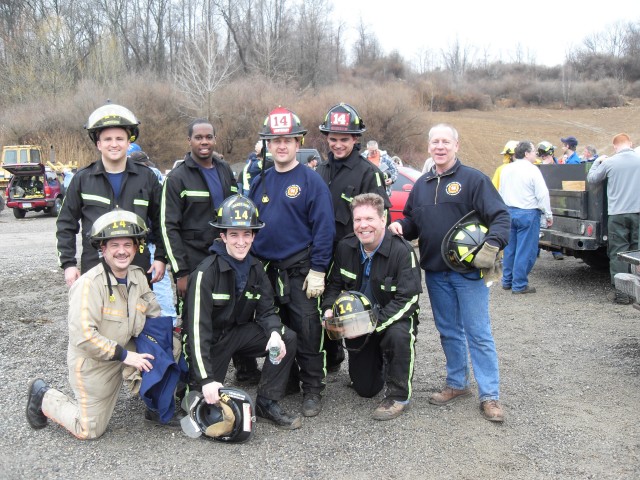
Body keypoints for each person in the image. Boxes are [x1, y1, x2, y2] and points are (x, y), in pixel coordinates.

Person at [389, 123, 510, 423]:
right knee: (449, 332)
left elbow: (501, 216)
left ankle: (490, 395)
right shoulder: (422, 185)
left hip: (468, 274)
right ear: (429, 147)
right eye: (435, 142)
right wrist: (400, 227)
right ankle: (457, 384)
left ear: (456, 145)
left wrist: (493, 244)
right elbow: (412, 222)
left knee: (478, 333)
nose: (440, 147)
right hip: (435, 272)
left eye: (446, 141)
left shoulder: (473, 180)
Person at [27, 210, 178, 439]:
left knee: (173, 346)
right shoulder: (88, 285)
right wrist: (126, 356)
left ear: (136, 247)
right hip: (95, 361)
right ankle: (44, 396)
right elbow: (84, 336)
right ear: (103, 249)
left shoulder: (137, 276)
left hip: (128, 349)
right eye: (114, 245)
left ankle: (155, 405)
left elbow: (153, 317)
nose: (121, 251)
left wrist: (165, 345)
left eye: (127, 244)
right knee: (88, 430)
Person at [184, 195, 301, 429]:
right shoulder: (205, 274)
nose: (241, 242)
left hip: (238, 334)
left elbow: (267, 310)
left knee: (287, 336)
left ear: (253, 236)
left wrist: (274, 333)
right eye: (234, 235)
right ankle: (189, 383)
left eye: (247, 234)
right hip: (212, 343)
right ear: (223, 236)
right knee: (200, 403)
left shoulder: (256, 268)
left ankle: (267, 402)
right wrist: (206, 379)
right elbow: (196, 333)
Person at [248, 107, 335, 417]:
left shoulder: (311, 181)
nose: (281, 146)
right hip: (267, 273)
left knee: (308, 330)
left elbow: (325, 229)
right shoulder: (260, 182)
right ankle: (287, 381)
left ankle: (313, 389)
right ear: (267, 145)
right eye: (274, 141)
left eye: (287, 140)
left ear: (298, 143)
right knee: (279, 331)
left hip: (300, 271)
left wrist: (319, 269)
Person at [160, 119, 261, 383]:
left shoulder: (225, 170)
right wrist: (180, 272)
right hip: (194, 262)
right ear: (189, 141)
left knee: (237, 307)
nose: (204, 142)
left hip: (227, 257)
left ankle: (246, 369)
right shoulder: (177, 178)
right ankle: (192, 378)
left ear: (215, 139)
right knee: (195, 319)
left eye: (209, 137)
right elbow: (168, 227)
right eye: (198, 138)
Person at [322, 193, 422, 420]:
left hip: (391, 319)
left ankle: (398, 395)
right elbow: (334, 285)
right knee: (365, 390)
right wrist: (328, 309)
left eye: (369, 219)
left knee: (399, 336)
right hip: (359, 323)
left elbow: (408, 299)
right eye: (358, 220)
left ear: (383, 219)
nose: (363, 225)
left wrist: (372, 324)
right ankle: (380, 365)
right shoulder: (345, 248)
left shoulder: (402, 251)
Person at [315, 103, 391, 372]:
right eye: (333, 139)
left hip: (357, 258)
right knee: (325, 307)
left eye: (344, 139)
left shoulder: (369, 174)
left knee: (361, 309)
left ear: (355, 138)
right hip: (324, 256)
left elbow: (383, 219)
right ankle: (332, 358)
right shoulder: (320, 172)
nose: (337, 144)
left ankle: (372, 361)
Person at [56, 103, 167, 287]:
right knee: (95, 315)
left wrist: (161, 257)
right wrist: (68, 263)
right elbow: (65, 224)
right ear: (99, 144)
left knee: (138, 315)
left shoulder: (146, 177)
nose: (114, 144)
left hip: (137, 267)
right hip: (94, 268)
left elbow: (161, 222)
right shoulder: (82, 179)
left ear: (128, 142)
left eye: (119, 138)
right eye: (107, 139)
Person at [587, 133, 640, 305]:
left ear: (615, 147)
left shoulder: (610, 162)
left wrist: (597, 160)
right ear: (630, 144)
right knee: (637, 251)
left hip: (617, 214)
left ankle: (622, 294)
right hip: (638, 212)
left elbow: (592, 178)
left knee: (619, 252)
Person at [498, 141, 553, 294]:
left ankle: (507, 280)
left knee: (510, 249)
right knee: (525, 250)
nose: (536, 153)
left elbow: (501, 192)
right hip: (528, 213)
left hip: (509, 212)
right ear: (527, 153)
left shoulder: (506, 169)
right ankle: (519, 284)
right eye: (534, 151)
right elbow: (542, 194)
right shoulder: (533, 170)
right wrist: (548, 213)